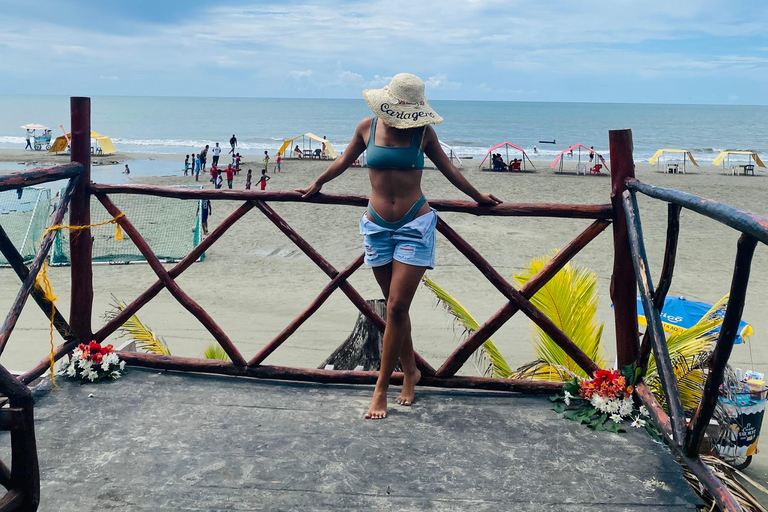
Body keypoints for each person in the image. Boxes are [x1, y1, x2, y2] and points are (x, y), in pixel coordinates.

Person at [296, 73, 501, 420]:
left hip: (414, 226)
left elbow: (449, 169)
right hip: (376, 227)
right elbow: (344, 160)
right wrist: (318, 181)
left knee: (395, 306)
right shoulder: (367, 127)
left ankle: (381, 389)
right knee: (396, 310)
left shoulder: (423, 133)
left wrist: (477, 196)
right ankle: (411, 371)